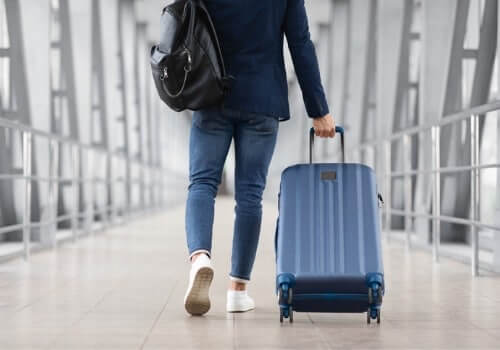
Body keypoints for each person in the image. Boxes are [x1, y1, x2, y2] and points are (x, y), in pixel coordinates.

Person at [183, 0, 336, 316]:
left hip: (211, 93)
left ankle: (200, 258)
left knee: (202, 183)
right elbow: (300, 45)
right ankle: (237, 290)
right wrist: (318, 109)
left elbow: (183, 23)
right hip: (262, 99)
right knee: (250, 195)